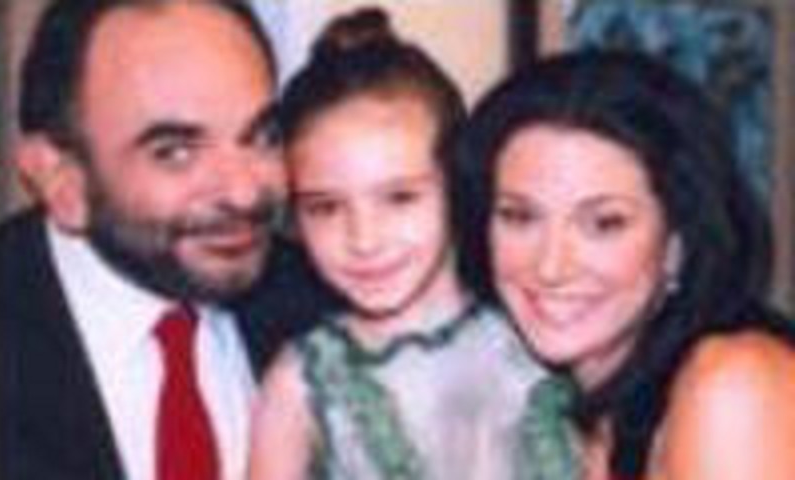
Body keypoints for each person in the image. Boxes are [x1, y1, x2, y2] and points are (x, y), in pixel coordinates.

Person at [0, 0, 327, 478]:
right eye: (176, 152)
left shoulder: (331, 307)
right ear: (61, 180)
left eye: (262, 136)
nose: (243, 191)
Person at [464, 49, 795, 479]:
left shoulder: (734, 384)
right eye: (520, 217)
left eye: (605, 223)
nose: (550, 267)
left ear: (677, 240)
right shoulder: (573, 414)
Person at [249, 8, 550, 480]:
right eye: (326, 207)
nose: (363, 239)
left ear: (455, 181)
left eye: (399, 198)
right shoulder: (299, 386)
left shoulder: (541, 331)